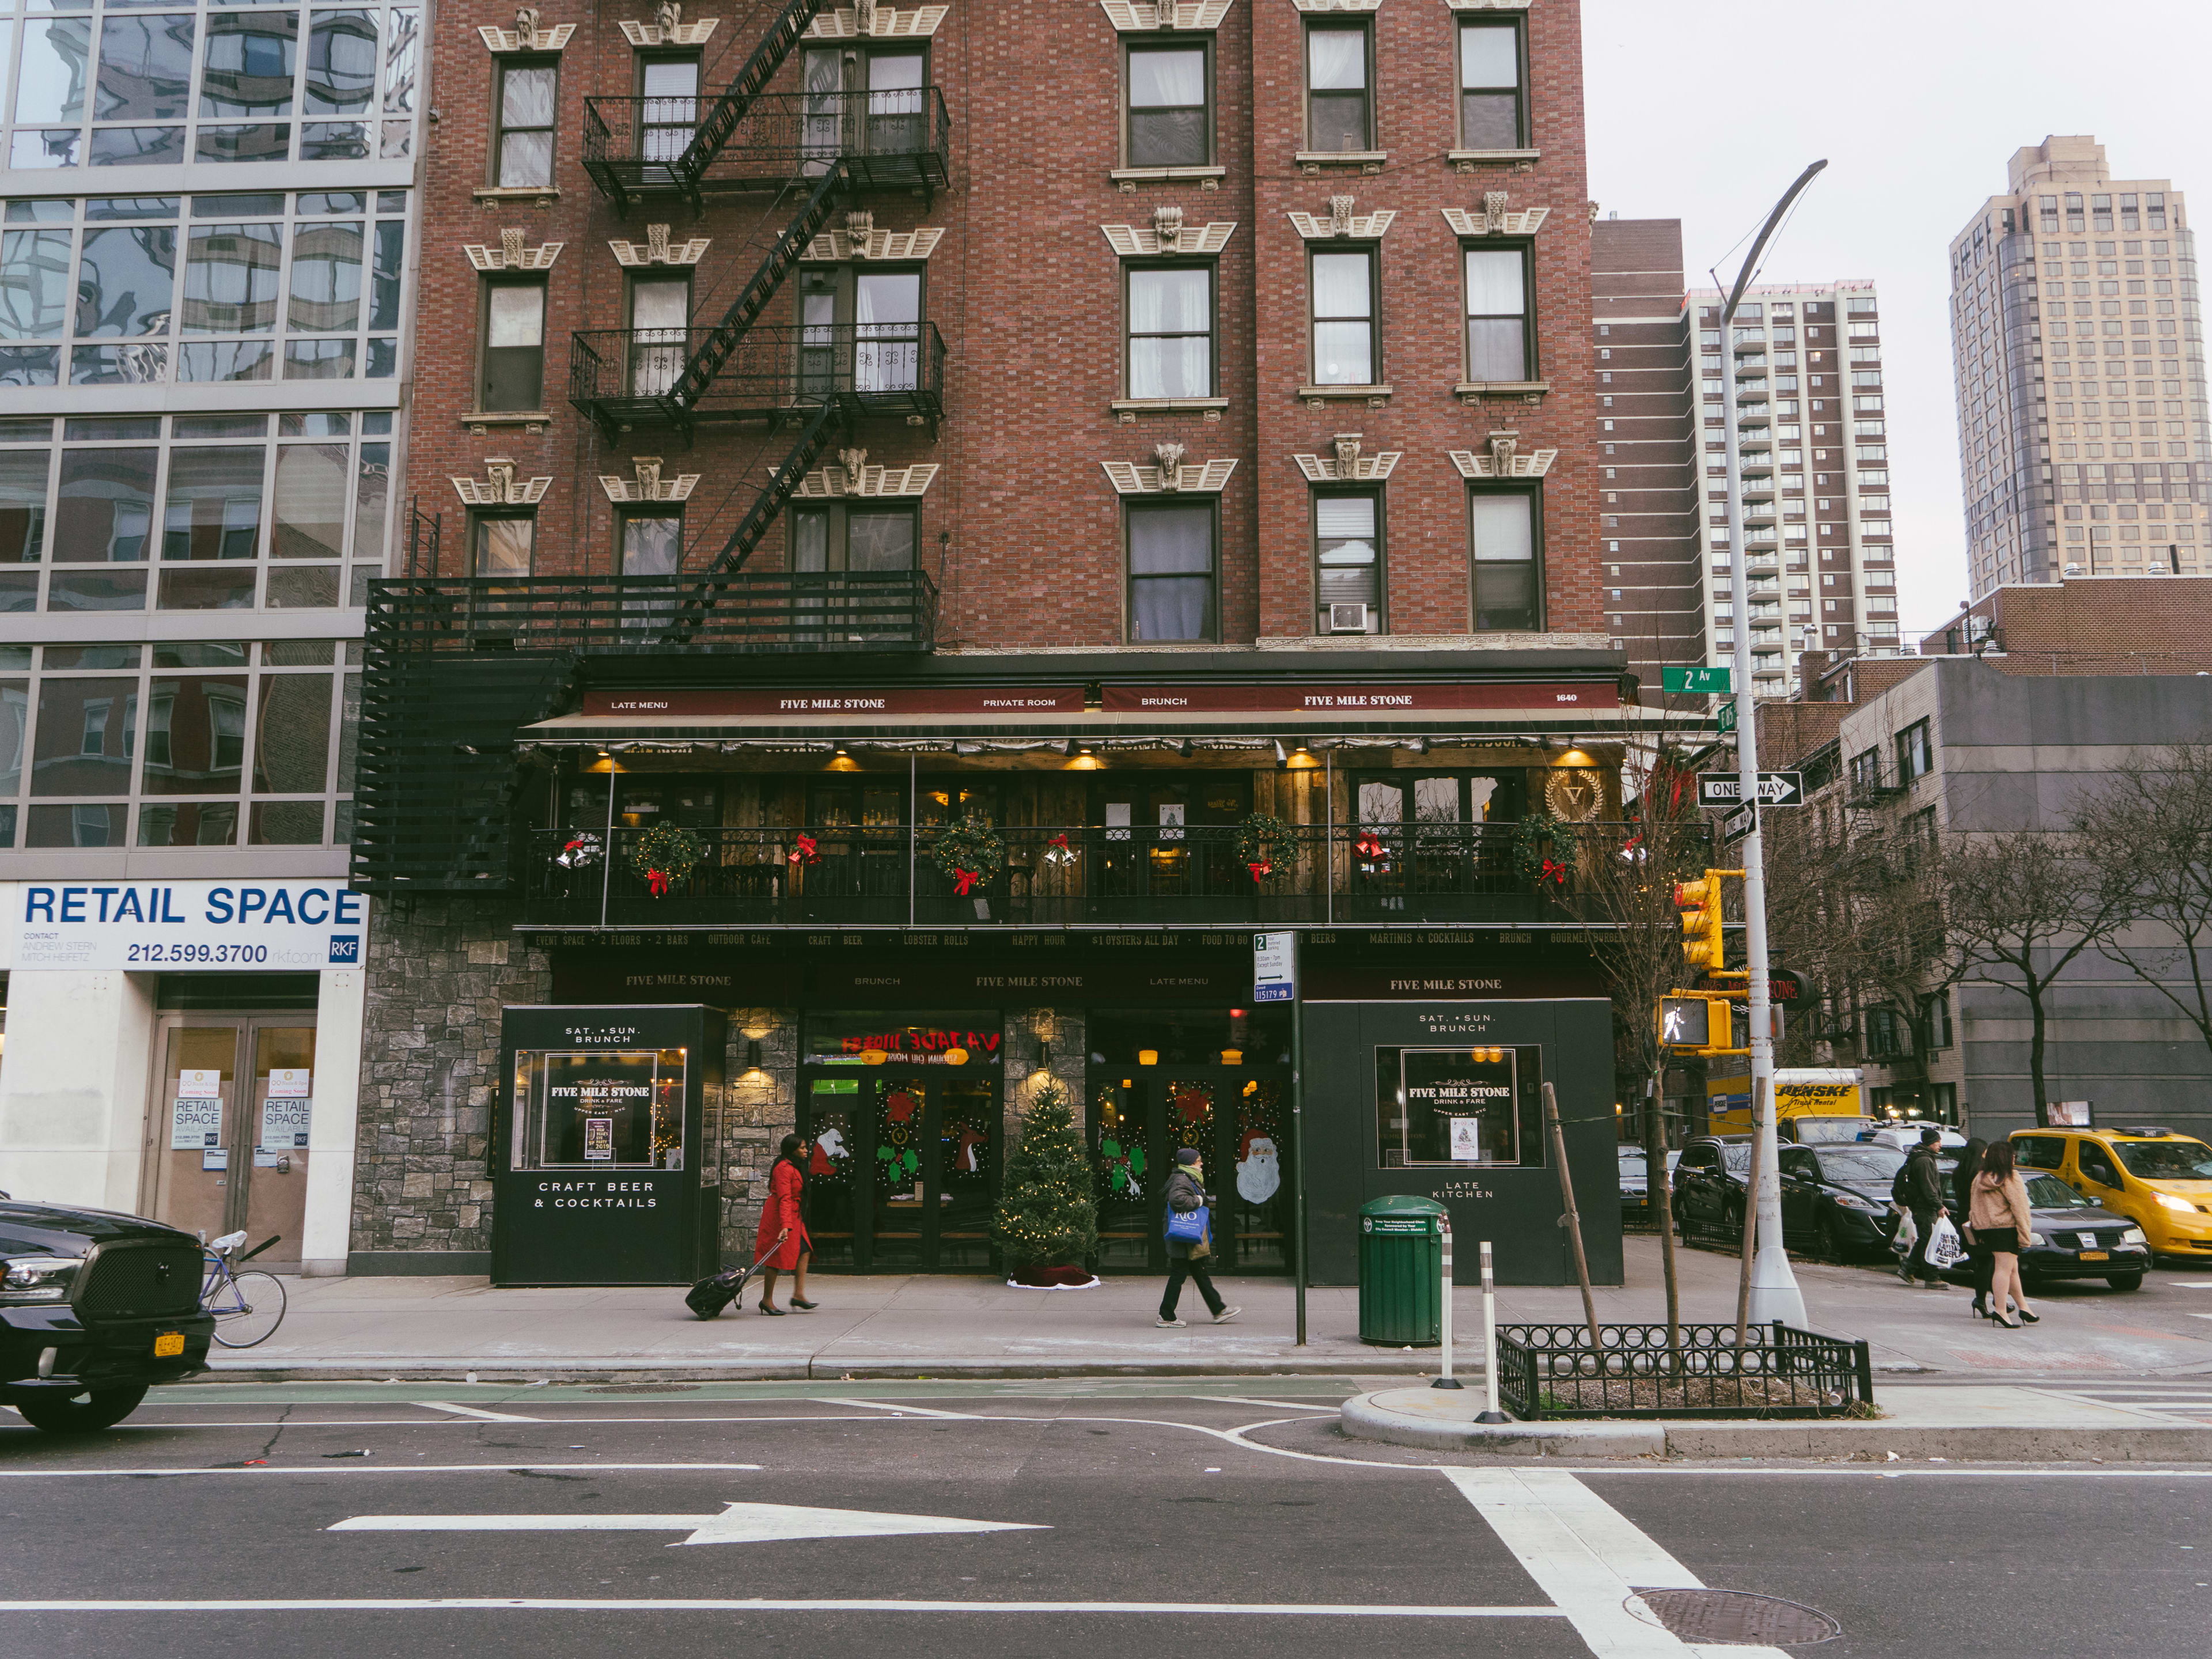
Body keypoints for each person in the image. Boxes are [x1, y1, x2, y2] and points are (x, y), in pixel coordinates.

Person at [1157, 1147, 1240, 1329]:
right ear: (1190, 1163)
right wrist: (1199, 1201)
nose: (1201, 1163)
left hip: (1186, 1238)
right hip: (1182, 1237)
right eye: (1198, 1160)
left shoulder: (1187, 1177)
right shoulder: (1182, 1179)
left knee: (1200, 1273)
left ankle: (1218, 1310)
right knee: (1179, 1273)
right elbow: (1177, 1200)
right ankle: (1166, 1315)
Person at [1969, 1139, 2039, 1329]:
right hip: (2006, 1229)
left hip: (1988, 1230)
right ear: (2006, 1157)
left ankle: (2024, 1307)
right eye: (2013, 1155)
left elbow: (1974, 1207)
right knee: (2003, 1270)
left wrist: (1979, 1227)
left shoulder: (1980, 1178)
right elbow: (2021, 1208)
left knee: (2012, 1269)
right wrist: (2025, 1236)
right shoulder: (2010, 1177)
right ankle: (2000, 1310)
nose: (2015, 1158)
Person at [755, 1133, 816, 1316]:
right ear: (792, 1150)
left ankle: (798, 1294)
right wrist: (785, 1226)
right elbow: (784, 1198)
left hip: (793, 1217)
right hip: (779, 1218)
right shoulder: (783, 1168)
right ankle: (767, 1300)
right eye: (802, 1148)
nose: (806, 1150)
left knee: (804, 1250)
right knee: (775, 1258)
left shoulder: (794, 1167)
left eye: (806, 1147)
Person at [1896, 1126, 1950, 1287]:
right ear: (1930, 1143)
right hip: (1925, 1208)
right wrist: (1938, 1205)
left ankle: (1908, 1268)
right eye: (1938, 1141)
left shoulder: (1922, 1157)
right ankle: (1932, 1278)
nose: (1940, 1144)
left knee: (1926, 1240)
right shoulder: (1924, 1160)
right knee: (1929, 1242)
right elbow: (1928, 1187)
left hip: (1923, 1207)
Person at [1954, 1136, 1993, 1317]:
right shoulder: (1980, 1174)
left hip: (1965, 1222)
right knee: (1987, 1260)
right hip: (1980, 1221)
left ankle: (1989, 1299)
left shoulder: (1959, 1172)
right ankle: (1985, 1299)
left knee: (1980, 1260)